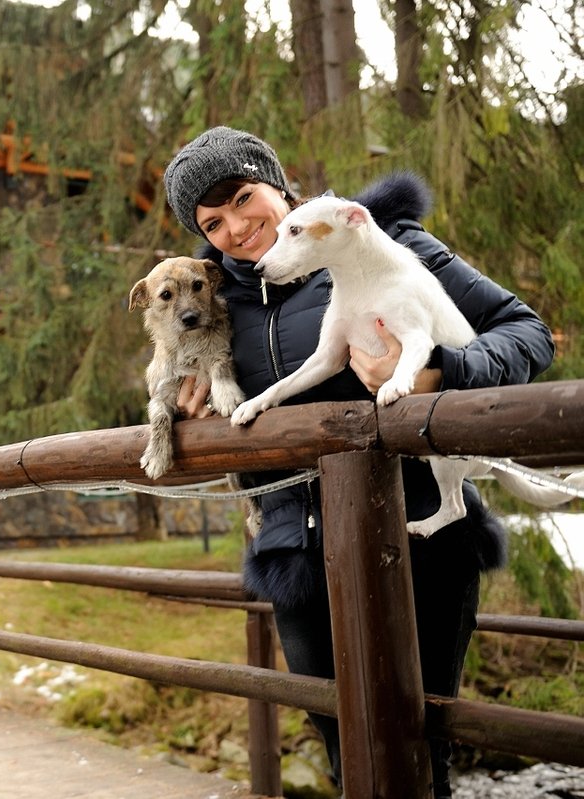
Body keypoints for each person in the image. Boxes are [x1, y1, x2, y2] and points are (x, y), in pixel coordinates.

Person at [161, 126, 555, 797]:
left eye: (242, 198)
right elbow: (185, 380)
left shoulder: (384, 249)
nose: (235, 227)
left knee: (419, 753)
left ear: (276, 181)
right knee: (347, 754)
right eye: (212, 222)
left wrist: (440, 369)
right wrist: (186, 401)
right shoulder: (213, 303)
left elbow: (526, 332)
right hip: (295, 554)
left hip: (418, 537)